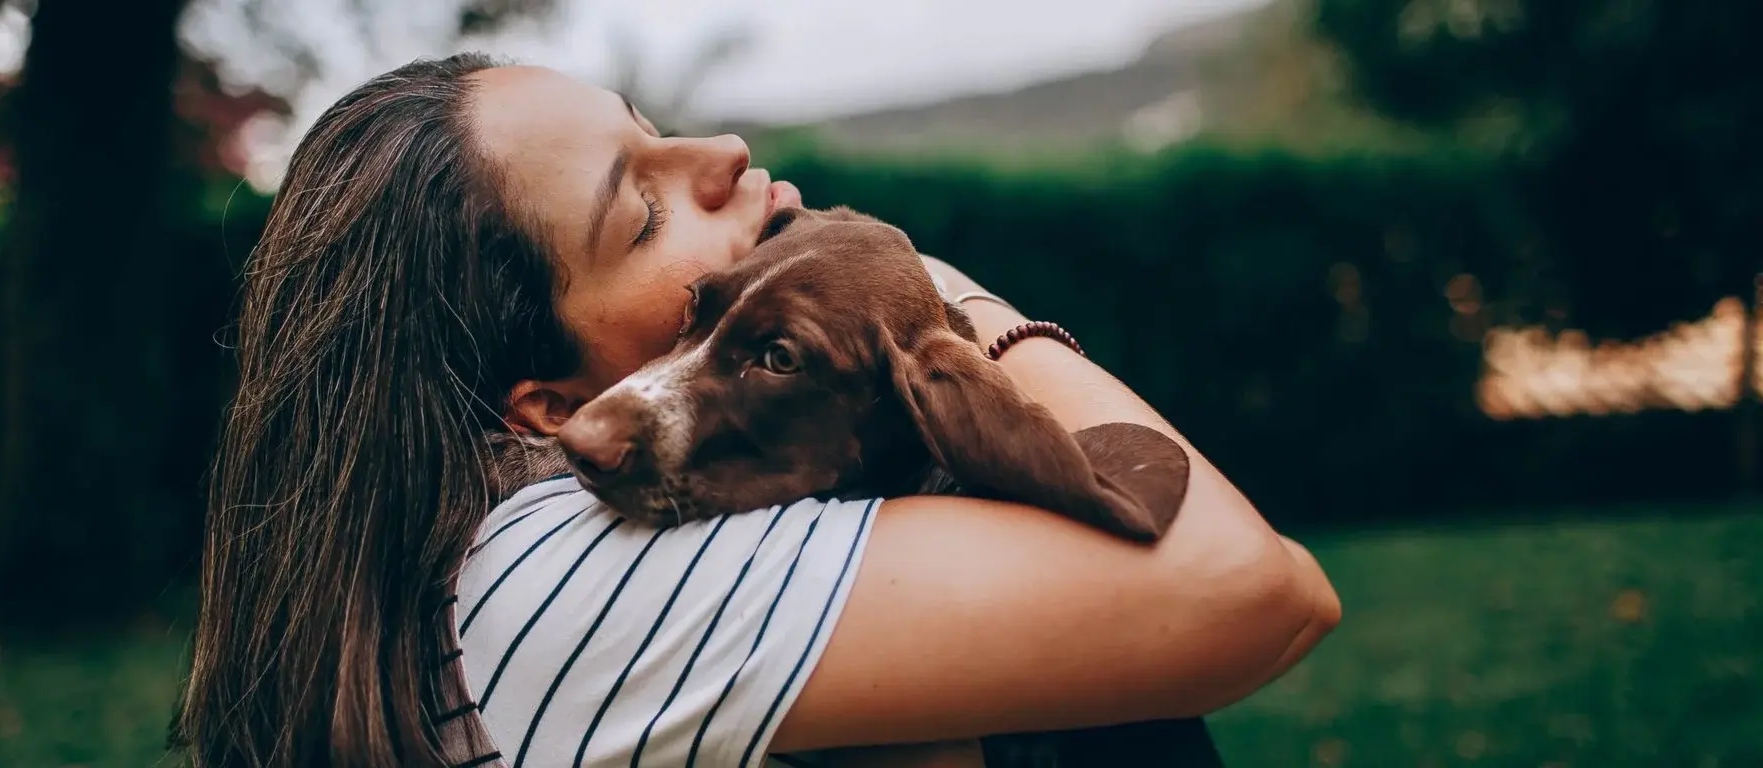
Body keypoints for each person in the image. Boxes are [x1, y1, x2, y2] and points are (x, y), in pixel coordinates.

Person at [172, 52, 1341, 768]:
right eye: (642, 212)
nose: (725, 151)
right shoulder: (554, 569)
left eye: (650, 128)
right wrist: (942, 301)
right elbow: (1257, 591)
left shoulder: (468, 556)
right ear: (549, 407)